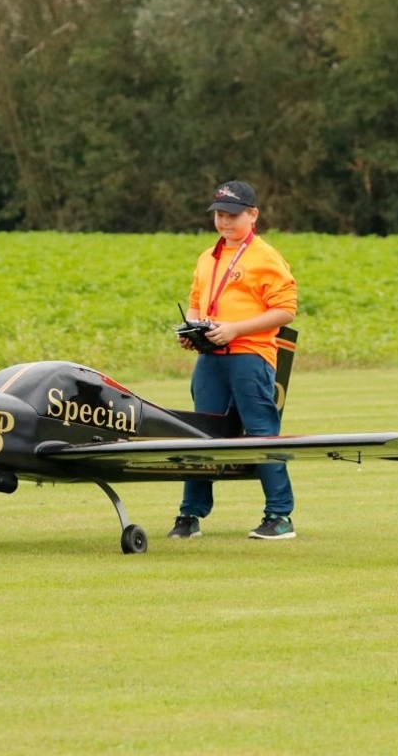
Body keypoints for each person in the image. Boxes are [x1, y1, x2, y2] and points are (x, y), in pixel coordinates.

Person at [169, 179, 298, 540]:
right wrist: (192, 328)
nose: (225, 223)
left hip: (251, 356)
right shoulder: (207, 257)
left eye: (233, 216)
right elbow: (197, 300)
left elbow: (285, 311)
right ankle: (189, 516)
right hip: (211, 358)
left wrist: (236, 330)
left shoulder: (266, 257)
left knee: (261, 433)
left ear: (253, 215)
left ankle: (280, 516)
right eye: (220, 216)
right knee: (200, 435)